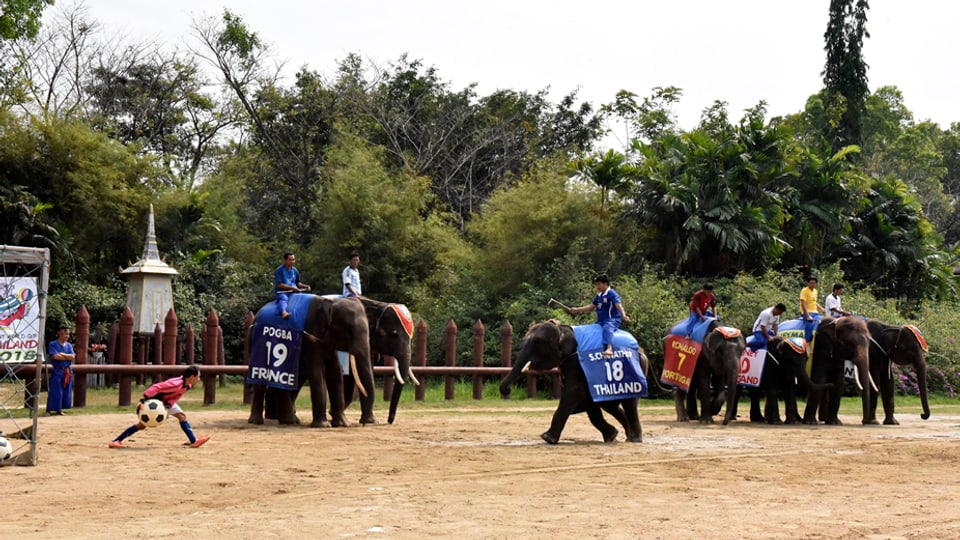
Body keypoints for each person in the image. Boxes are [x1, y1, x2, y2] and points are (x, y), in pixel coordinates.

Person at [109, 365, 210, 449]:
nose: (199, 379)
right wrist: (144, 399)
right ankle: (116, 441)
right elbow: (157, 387)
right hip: (153, 402)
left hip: (164, 403)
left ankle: (193, 441)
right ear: (192, 376)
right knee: (142, 425)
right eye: (198, 377)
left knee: (182, 416)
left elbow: (177, 396)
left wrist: (168, 405)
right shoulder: (176, 383)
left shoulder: (187, 385)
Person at [566, 274, 631, 357]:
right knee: (592, 329)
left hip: (612, 319)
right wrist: (576, 310)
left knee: (607, 328)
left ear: (605, 284)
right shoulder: (599, 296)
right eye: (596, 285)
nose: (597, 287)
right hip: (600, 320)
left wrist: (623, 315)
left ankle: (609, 348)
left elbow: (618, 305)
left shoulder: (612, 293)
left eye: (599, 284)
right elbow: (591, 307)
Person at [46, 326, 75, 415]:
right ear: (59, 333)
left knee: (66, 391)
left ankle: (60, 409)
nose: (67, 336)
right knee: (55, 390)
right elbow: (55, 356)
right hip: (58, 370)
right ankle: (49, 409)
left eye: (68, 334)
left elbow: (72, 357)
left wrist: (62, 354)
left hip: (67, 371)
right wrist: (67, 356)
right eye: (65, 333)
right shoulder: (53, 344)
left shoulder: (69, 345)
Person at [275, 252, 310, 319]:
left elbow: (298, 283)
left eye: (293, 260)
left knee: (303, 297)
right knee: (283, 299)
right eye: (290, 260)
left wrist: (305, 286)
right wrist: (292, 288)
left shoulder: (295, 270)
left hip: (294, 291)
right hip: (283, 292)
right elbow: (279, 284)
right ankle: (283, 312)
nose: (292, 262)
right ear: (285, 260)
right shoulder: (279, 270)